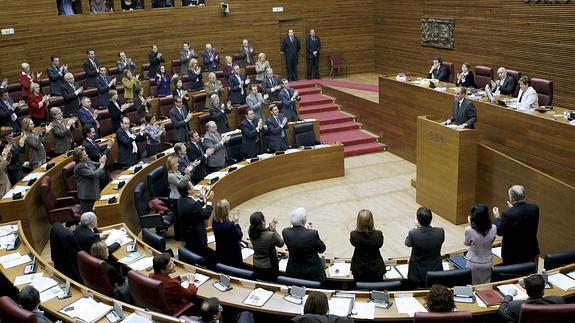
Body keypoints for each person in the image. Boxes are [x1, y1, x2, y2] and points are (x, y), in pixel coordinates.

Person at [494, 185, 540, 265]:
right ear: (524, 196)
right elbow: (523, 220)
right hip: (530, 250)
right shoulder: (534, 208)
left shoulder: (508, 214)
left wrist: (497, 218)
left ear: (512, 199)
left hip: (513, 254)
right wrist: (513, 209)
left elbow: (499, 231)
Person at [282, 207, 327, 282]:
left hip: (294, 271)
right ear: (303, 220)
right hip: (311, 273)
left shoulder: (285, 232)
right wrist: (308, 231)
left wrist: (305, 230)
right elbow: (322, 249)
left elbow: (298, 237)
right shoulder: (312, 234)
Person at [498, 274, 564, 323]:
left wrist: (509, 295)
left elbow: (502, 311)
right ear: (543, 290)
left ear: (526, 290)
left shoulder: (515, 306)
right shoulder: (558, 301)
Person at [405, 207, 445, 287]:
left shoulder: (413, 233)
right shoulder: (440, 232)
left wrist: (416, 228)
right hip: (436, 271)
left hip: (417, 274)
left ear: (417, 220)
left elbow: (407, 243)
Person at [177, 179, 215, 263]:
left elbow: (194, 210)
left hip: (188, 235)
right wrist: (209, 202)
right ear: (189, 190)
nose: (194, 187)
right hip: (198, 237)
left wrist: (201, 198)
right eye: (192, 186)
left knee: (193, 253)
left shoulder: (180, 200)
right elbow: (206, 215)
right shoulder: (192, 204)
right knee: (202, 256)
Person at [464, 203, 497, 284]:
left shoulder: (469, 230)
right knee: (485, 287)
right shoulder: (494, 227)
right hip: (488, 262)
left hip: (473, 263)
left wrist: (470, 225)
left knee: (471, 286)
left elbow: (467, 243)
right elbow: (491, 241)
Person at [350, 209, 385, 282]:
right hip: (376, 269)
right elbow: (380, 245)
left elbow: (353, 243)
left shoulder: (354, 235)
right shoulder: (378, 235)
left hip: (359, 269)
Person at [249, 211, 284, 282]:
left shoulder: (250, 231)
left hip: (256, 264)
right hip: (269, 267)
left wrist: (269, 228)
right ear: (262, 222)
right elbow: (281, 243)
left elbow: (262, 234)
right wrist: (274, 230)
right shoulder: (271, 235)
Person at [73, 147, 107, 212]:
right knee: (89, 215)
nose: (87, 155)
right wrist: (102, 165)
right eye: (85, 155)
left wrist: (101, 161)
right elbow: (94, 174)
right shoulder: (79, 167)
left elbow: (95, 164)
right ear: (80, 158)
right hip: (87, 196)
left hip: (94, 191)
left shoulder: (86, 161)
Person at [212, 199, 243, 266]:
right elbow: (239, 236)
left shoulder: (214, 220)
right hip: (232, 256)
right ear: (226, 210)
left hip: (220, 253)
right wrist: (236, 222)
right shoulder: (229, 226)